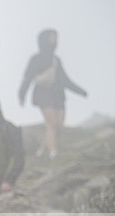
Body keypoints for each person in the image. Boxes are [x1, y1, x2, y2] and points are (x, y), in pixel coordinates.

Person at [18, 29, 87, 160]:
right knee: (52, 123)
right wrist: (22, 95)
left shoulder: (57, 60)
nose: (55, 41)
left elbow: (65, 80)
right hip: (43, 94)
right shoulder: (36, 59)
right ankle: (53, 153)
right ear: (45, 40)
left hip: (58, 96)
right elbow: (27, 77)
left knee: (58, 126)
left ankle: (41, 150)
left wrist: (81, 91)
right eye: (52, 38)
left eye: (56, 38)